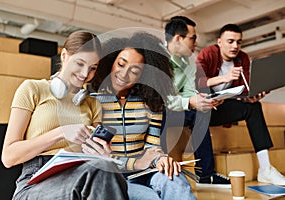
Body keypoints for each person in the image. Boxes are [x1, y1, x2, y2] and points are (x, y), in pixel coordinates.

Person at [1, 30, 128, 199]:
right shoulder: (33, 89)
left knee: (105, 169)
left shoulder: (93, 104)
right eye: (80, 63)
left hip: (81, 174)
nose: (85, 74)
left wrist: (103, 153)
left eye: (92, 68)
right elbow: (8, 157)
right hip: (35, 181)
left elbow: (96, 157)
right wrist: (61, 132)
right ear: (65, 56)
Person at [91, 32, 196, 200]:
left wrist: (160, 159)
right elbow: (95, 155)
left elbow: (152, 147)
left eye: (134, 70)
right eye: (121, 64)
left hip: (144, 172)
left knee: (174, 177)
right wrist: (136, 163)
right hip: (108, 175)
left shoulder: (151, 102)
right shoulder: (92, 102)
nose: (124, 75)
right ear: (111, 62)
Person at [196, 23, 285, 185]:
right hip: (203, 109)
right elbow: (196, 81)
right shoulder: (207, 53)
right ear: (219, 42)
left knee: (253, 107)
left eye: (239, 42)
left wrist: (251, 96)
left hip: (223, 107)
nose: (235, 46)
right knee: (200, 112)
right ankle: (205, 174)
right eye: (230, 41)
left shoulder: (242, 57)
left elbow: (244, 88)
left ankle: (265, 169)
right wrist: (224, 77)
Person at [164, 16, 230, 187]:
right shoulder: (156, 60)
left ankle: (205, 175)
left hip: (174, 109)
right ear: (178, 38)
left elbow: (188, 93)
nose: (195, 42)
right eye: (192, 38)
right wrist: (189, 102)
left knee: (201, 113)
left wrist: (206, 100)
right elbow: (158, 99)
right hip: (155, 109)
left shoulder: (188, 63)